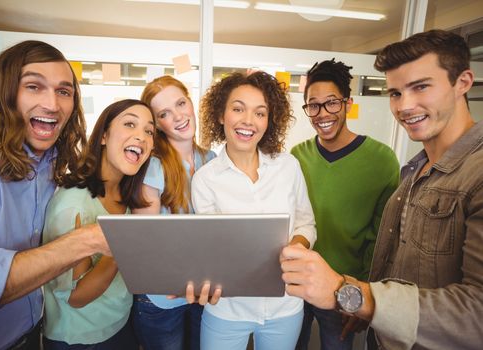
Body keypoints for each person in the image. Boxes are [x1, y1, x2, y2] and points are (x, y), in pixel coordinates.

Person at [281, 29, 483, 350]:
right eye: (395, 93)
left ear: (463, 82)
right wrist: (367, 299)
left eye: (421, 87)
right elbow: (391, 255)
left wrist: (355, 294)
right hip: (367, 320)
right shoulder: (416, 170)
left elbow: (476, 313)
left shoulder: (471, 174)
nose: (405, 105)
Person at [0, 40, 110, 350]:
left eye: (64, 92)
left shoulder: (52, 159)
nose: (53, 104)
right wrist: (88, 240)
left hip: (32, 333)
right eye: (34, 86)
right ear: (5, 92)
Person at [191, 71, 317, 350]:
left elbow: (306, 223)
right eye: (238, 109)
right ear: (221, 115)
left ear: (269, 121)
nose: (248, 121)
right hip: (227, 308)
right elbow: (210, 246)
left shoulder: (288, 167)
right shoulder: (205, 180)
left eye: (260, 113)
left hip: (285, 304)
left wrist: (296, 247)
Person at [291, 59, 399, 350]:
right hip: (297, 286)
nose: (322, 114)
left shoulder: (382, 160)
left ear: (348, 103)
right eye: (313, 105)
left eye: (331, 103)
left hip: (344, 289)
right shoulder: (296, 157)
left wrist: (364, 296)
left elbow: (383, 239)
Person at [42, 99, 154, 349]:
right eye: (129, 124)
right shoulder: (73, 203)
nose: (142, 136)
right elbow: (76, 296)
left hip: (121, 325)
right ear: (104, 135)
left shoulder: (128, 199)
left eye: (149, 131)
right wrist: (121, 244)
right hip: (81, 339)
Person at [132, 75, 219, 350]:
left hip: (201, 293)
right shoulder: (153, 166)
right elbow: (146, 239)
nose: (179, 116)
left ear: (190, 102)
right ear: (157, 124)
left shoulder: (211, 160)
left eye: (181, 103)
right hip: (163, 296)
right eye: (165, 114)